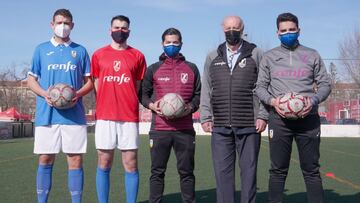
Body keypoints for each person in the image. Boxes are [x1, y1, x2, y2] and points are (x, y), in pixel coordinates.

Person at [255, 12, 331, 203]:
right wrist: (274, 102)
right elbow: (260, 88)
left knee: (311, 169)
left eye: (291, 29)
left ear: (299, 30)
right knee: (278, 170)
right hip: (279, 120)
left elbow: (325, 85)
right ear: (277, 33)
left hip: (309, 120)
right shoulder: (269, 57)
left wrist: (312, 102)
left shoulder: (312, 54)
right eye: (284, 30)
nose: (288, 33)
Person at [27, 8, 93, 203]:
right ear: (52, 24)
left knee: (75, 160)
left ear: (72, 26)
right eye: (59, 22)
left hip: (74, 116)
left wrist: (77, 94)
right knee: (45, 159)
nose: (62, 26)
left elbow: (90, 82)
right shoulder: (41, 49)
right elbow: (31, 80)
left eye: (66, 23)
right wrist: (45, 93)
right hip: (46, 114)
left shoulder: (80, 51)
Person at [200, 16, 268, 203]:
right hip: (220, 126)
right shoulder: (212, 56)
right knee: (223, 176)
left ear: (242, 28)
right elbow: (207, 87)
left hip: (250, 124)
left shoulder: (256, 53)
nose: (232, 31)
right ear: (222, 28)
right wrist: (205, 116)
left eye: (235, 27)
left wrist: (262, 115)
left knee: (249, 173)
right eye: (228, 27)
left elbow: (264, 86)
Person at [140, 28, 201, 203]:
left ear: (181, 44)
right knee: (157, 171)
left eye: (175, 42)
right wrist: (151, 105)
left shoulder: (191, 68)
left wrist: (190, 107)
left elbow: (198, 94)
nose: (171, 45)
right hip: (160, 129)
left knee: (187, 172)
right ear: (162, 44)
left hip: (185, 130)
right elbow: (143, 94)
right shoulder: (153, 69)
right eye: (168, 42)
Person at [91, 15, 147, 203]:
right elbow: (96, 84)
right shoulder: (98, 54)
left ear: (129, 31)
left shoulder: (138, 56)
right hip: (105, 116)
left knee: (130, 164)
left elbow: (138, 85)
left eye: (124, 28)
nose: (120, 31)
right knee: (104, 162)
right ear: (110, 30)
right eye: (116, 27)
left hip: (128, 117)